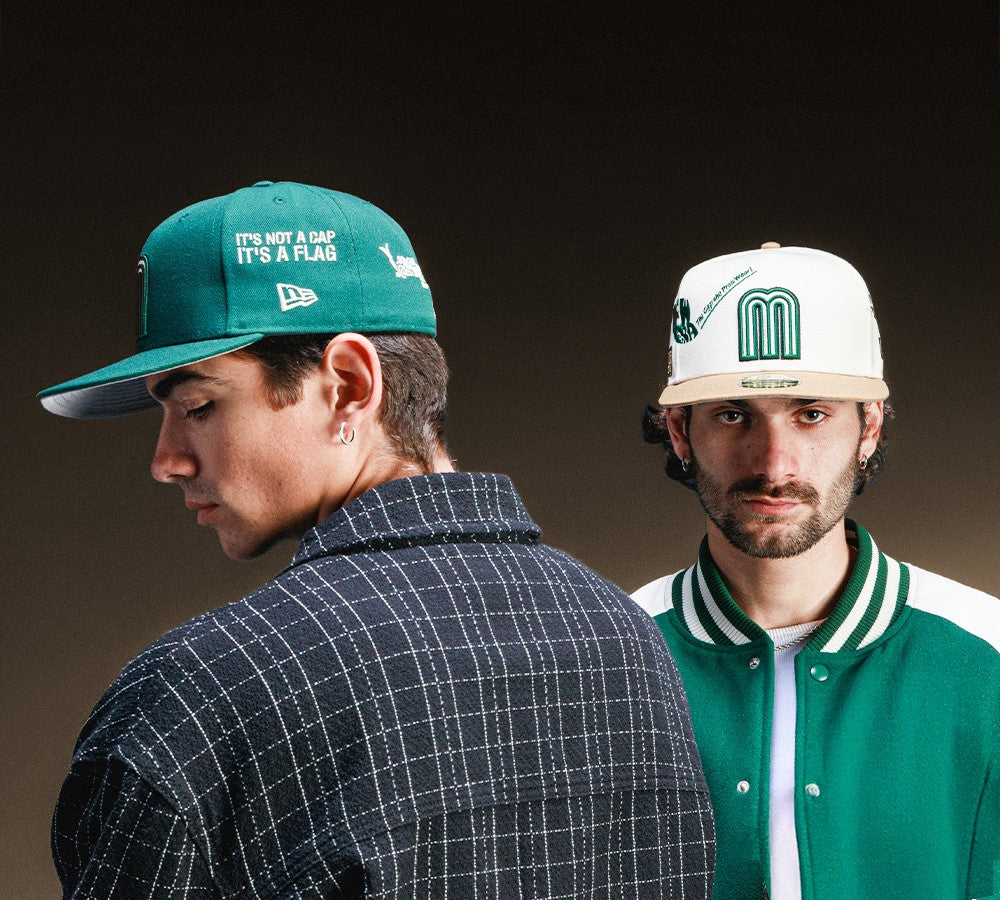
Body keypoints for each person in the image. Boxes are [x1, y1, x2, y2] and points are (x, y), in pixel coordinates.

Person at [39, 182, 715, 898]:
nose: (166, 459)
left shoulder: (197, 699)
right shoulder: (630, 639)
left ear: (350, 384)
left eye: (199, 406)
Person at [634, 243, 999, 900]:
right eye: (733, 415)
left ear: (869, 427)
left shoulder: (987, 653)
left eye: (811, 414)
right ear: (680, 432)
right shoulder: (608, 657)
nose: (775, 464)